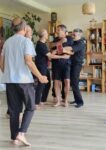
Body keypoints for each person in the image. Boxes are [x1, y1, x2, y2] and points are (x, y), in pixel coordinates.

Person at [0, 18, 48, 146]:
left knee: (14, 110)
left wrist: (10, 72)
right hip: (24, 81)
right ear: (25, 28)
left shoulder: (7, 42)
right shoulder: (26, 41)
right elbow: (28, 61)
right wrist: (40, 76)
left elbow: (2, 65)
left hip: (9, 81)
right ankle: (21, 133)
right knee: (31, 107)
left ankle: (14, 137)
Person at [51, 24, 73, 107]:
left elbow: (69, 49)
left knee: (67, 81)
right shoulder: (56, 39)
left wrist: (59, 49)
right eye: (57, 30)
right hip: (56, 63)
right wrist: (60, 44)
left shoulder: (69, 38)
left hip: (66, 63)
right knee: (56, 82)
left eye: (58, 30)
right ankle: (58, 101)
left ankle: (66, 100)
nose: (57, 32)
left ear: (64, 32)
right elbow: (52, 48)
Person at [63, 28, 86, 108]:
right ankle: (76, 99)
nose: (72, 36)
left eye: (74, 35)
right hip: (72, 63)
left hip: (77, 64)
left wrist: (63, 49)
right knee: (73, 82)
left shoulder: (81, 43)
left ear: (79, 35)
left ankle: (80, 102)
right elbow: (71, 52)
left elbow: (71, 49)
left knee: (75, 82)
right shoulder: (75, 42)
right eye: (72, 34)